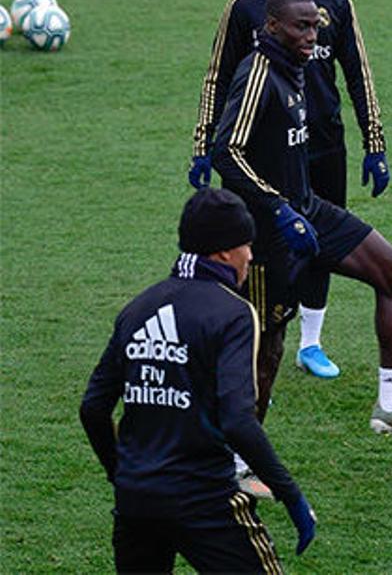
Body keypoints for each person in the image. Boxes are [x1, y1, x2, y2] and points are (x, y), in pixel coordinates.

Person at [211, 0, 392, 446]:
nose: (312, 36)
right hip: (265, 231)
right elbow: (228, 152)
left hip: (310, 211)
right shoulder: (259, 74)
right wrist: (278, 208)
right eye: (302, 27)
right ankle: (236, 466)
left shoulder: (294, 66)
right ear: (272, 26)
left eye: (316, 26)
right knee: (266, 350)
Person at [189, 0, 390, 380]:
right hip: (263, 155)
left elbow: (359, 74)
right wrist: (202, 145)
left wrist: (375, 144)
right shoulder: (245, 6)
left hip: (322, 145)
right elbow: (216, 78)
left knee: (318, 242)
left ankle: (312, 344)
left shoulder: (336, 1)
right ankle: (253, 351)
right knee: (258, 255)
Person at [80, 189, 316, 573]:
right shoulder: (234, 313)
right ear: (224, 252)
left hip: (136, 502)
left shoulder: (138, 307)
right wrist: (291, 495)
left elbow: (93, 408)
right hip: (204, 499)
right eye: (246, 245)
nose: (251, 256)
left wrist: (122, 474)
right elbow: (238, 421)